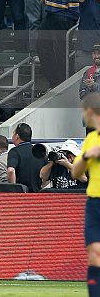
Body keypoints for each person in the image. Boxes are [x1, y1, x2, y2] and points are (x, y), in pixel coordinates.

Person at [72, 93, 100, 297]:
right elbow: (76, 172)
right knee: (94, 254)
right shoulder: (90, 139)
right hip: (94, 203)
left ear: (89, 111)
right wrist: (88, 156)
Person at [6, 122, 45, 192]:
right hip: (38, 195)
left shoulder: (14, 152)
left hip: (22, 195)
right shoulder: (39, 151)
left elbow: (11, 171)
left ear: (17, 136)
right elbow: (46, 175)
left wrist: (14, 190)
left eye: (13, 134)